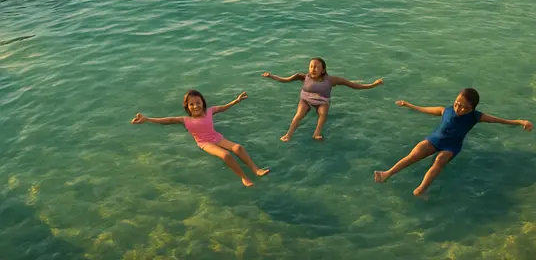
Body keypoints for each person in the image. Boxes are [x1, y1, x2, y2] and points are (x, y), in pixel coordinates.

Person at [373, 88, 533, 197]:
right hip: (435, 139)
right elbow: (425, 109)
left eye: (464, 107)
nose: (459, 108)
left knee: (439, 161)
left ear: (472, 108)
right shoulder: (446, 110)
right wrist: (408, 104)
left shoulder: (476, 116)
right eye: (457, 103)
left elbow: (500, 120)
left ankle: (421, 189)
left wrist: (520, 121)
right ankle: (387, 173)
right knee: (414, 154)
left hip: (452, 146)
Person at [131, 90, 269, 187]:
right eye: (191, 104)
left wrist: (236, 101)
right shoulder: (185, 120)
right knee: (226, 155)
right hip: (204, 143)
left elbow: (222, 108)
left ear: (203, 102)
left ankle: (255, 169)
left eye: (198, 102)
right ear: (187, 107)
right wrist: (147, 119)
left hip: (216, 137)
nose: (195, 106)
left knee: (238, 147)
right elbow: (167, 120)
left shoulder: (209, 112)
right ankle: (244, 178)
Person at [263, 57, 383, 141]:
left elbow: (354, 85)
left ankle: (316, 133)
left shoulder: (331, 80)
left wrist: (373, 84)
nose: (313, 69)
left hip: (322, 102)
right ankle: (289, 134)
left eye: (316, 67)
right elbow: (285, 80)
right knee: (298, 114)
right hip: (305, 99)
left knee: (323, 113)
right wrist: (271, 76)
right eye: (311, 66)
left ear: (323, 70)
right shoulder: (302, 76)